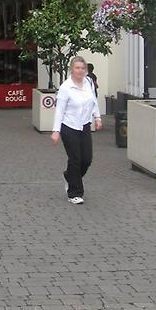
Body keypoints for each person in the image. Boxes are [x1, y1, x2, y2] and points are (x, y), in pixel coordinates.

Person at [51, 55, 102, 204]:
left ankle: (69, 176)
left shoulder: (88, 83)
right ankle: (74, 193)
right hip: (69, 126)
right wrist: (56, 131)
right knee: (75, 159)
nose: (80, 71)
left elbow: (93, 101)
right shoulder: (65, 88)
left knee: (86, 159)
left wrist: (97, 117)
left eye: (82, 68)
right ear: (71, 70)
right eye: (77, 68)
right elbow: (59, 110)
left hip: (84, 125)